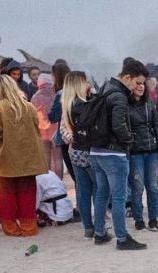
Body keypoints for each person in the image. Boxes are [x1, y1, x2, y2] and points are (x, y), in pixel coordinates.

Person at [90, 58, 148, 250]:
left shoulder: (105, 87)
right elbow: (118, 125)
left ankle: (99, 233)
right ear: (127, 77)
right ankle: (122, 238)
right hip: (114, 154)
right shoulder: (120, 96)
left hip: (96, 150)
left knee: (101, 195)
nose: (139, 87)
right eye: (137, 83)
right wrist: (130, 140)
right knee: (118, 198)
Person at [0, 74, 47, 237]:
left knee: (5, 193)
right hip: (28, 156)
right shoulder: (28, 106)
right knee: (27, 192)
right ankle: (29, 226)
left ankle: (10, 227)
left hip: (5, 158)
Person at [61, 70, 95, 239]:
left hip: (74, 153)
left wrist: (73, 138)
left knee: (82, 191)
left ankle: (87, 227)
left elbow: (63, 132)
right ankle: (100, 224)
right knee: (98, 189)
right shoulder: (85, 104)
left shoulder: (66, 104)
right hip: (89, 151)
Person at [128, 73, 158, 232]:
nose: (141, 86)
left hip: (152, 151)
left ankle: (153, 219)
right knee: (137, 187)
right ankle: (138, 219)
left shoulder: (150, 104)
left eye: (143, 83)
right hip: (135, 152)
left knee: (153, 186)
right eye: (138, 83)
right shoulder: (126, 106)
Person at [30, 73, 61, 177]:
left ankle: (49, 179)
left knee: (46, 156)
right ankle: (59, 181)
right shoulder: (56, 95)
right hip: (56, 130)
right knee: (58, 158)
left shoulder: (35, 97)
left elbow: (32, 115)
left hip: (42, 131)